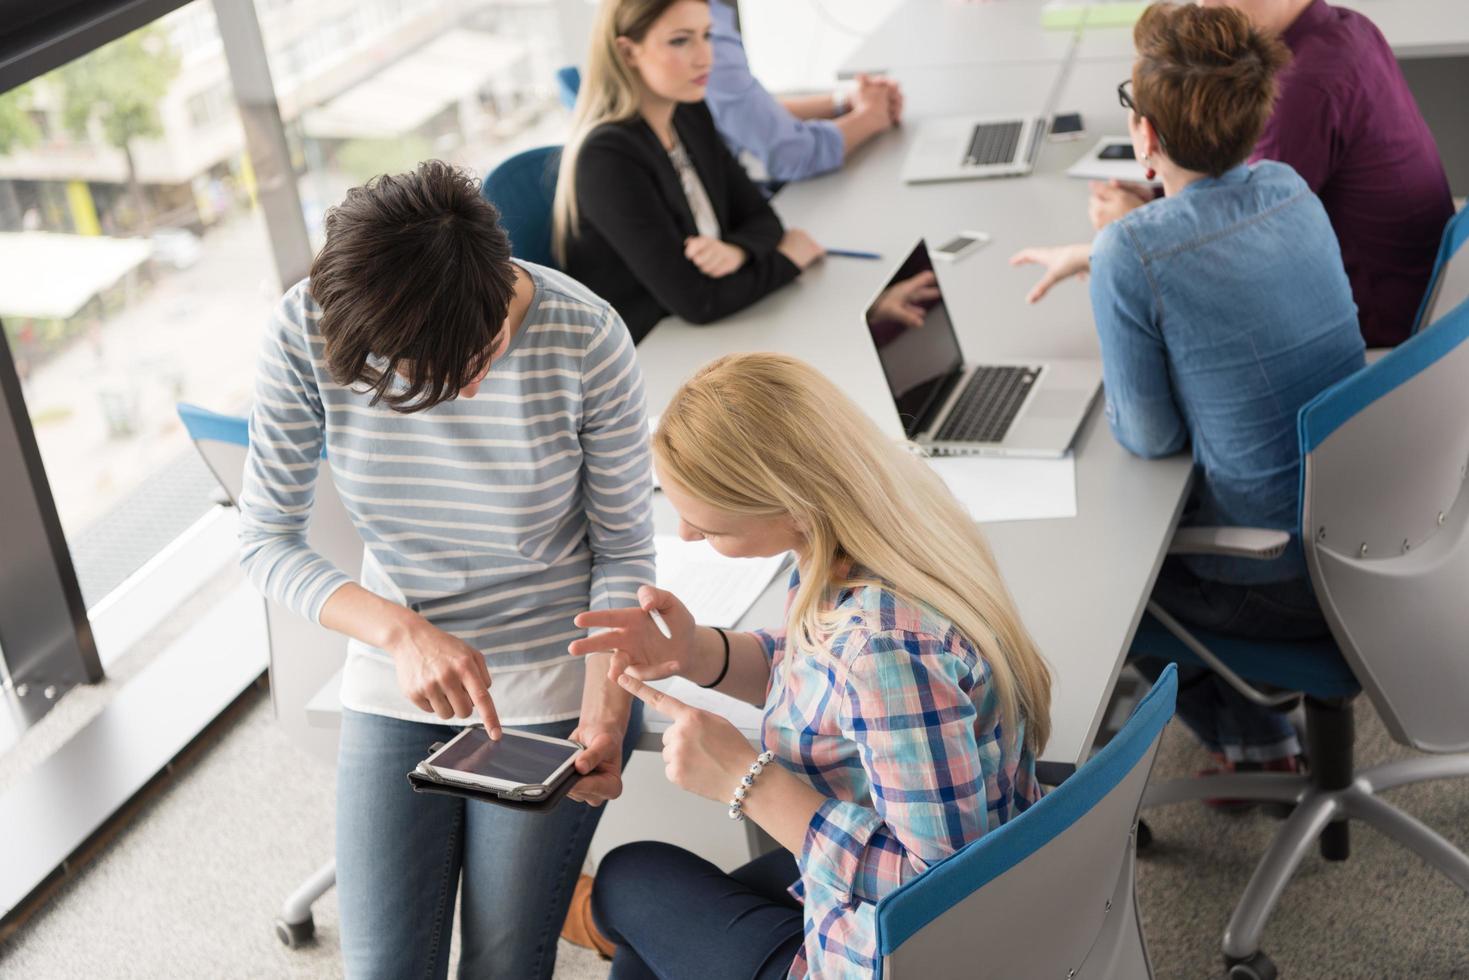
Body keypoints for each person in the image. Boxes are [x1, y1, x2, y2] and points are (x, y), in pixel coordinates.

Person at [238, 161, 654, 979]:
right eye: (428, 382)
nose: (467, 393)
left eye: (483, 356)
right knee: (384, 969)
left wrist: (605, 712)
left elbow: (623, 551)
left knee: (500, 961)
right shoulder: (308, 329)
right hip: (402, 667)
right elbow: (265, 541)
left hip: (558, 674)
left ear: (502, 281)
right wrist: (401, 634)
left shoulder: (585, 335)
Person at [564, 352, 1054, 978]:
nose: (684, 535)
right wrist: (696, 653)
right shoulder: (877, 532)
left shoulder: (883, 650)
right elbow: (818, 678)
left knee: (627, 880)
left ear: (789, 505)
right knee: (649, 942)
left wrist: (748, 781)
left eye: (706, 524)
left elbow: (943, 895)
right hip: (944, 874)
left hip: (909, 950)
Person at [1012, 4, 1365, 782]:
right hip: (1365, 531)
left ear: (1143, 136)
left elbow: (1149, 438)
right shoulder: (1286, 185)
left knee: (1093, 572)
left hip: (1276, 578)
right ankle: (1254, 726)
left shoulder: (1129, 251)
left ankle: (1250, 741)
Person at [1089, 0, 1454, 348]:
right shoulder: (1349, 27)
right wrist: (1157, 196)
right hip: (1423, 294)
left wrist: (1127, 235)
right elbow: (1238, 195)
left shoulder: (1302, 88)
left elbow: (1230, 256)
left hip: (1381, 331)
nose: (1205, 7)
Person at [554, 0, 824, 342]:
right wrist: (787, 259)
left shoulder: (688, 114)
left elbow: (762, 217)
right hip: (653, 349)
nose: (705, 57)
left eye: (707, 35)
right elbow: (698, 302)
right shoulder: (607, 158)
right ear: (627, 52)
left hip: (713, 327)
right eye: (680, 41)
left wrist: (737, 251)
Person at [704, 0, 902, 184]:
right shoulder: (708, 32)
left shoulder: (709, 15)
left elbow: (757, 112)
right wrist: (870, 116)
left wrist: (845, 101)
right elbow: (791, 155)